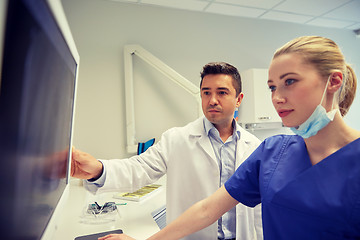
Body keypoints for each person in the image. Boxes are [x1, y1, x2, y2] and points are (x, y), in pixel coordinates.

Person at [100, 36, 360, 240]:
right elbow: (207, 210)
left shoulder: (257, 146)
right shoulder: (272, 152)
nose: (277, 97)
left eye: (289, 81)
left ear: (333, 81)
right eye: (272, 87)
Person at [71, 62, 263, 240]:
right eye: (206, 93)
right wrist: (97, 169)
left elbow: (259, 211)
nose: (212, 100)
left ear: (238, 99)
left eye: (222, 92)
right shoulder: (176, 139)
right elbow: (138, 168)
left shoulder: (254, 146)